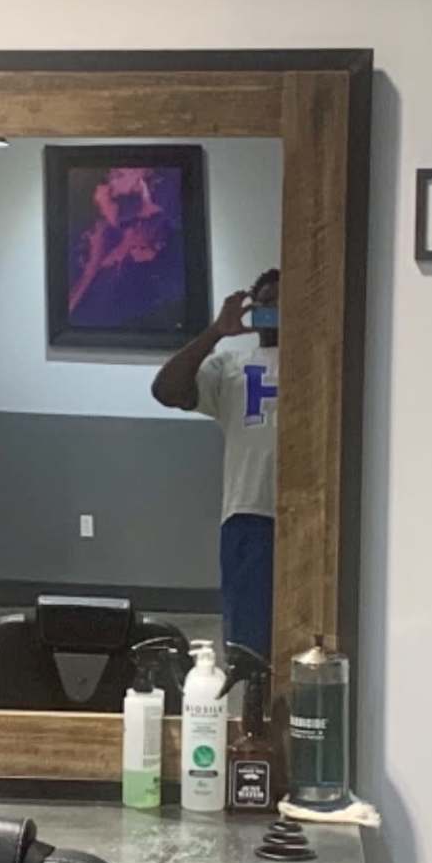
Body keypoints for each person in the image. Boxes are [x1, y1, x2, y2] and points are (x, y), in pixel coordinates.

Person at [153, 267, 279, 657]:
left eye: (281, 303)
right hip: (250, 511)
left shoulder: (323, 357)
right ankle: (256, 714)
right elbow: (166, 390)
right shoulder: (230, 363)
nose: (273, 310)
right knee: (249, 641)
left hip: (311, 512)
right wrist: (215, 332)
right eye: (265, 303)